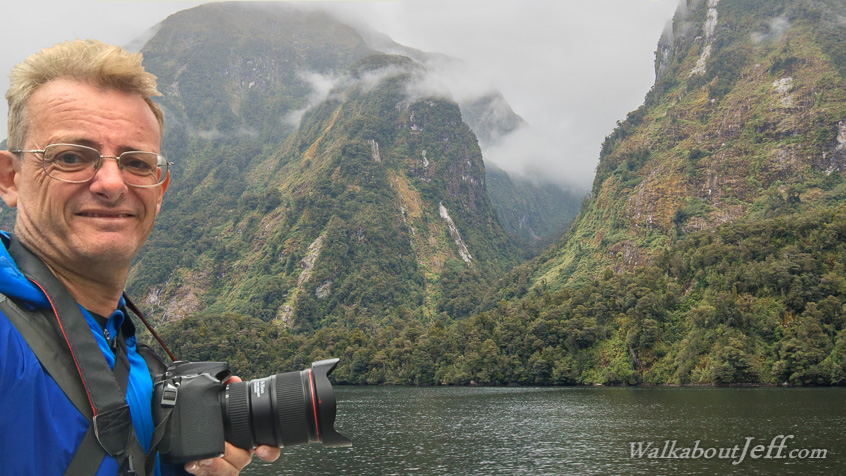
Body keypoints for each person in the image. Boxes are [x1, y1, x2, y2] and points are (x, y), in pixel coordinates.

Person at [0, 39, 281, 475]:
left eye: (137, 163)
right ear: (10, 178)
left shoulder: (138, 369)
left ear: (159, 190)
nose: (112, 183)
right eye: (71, 157)